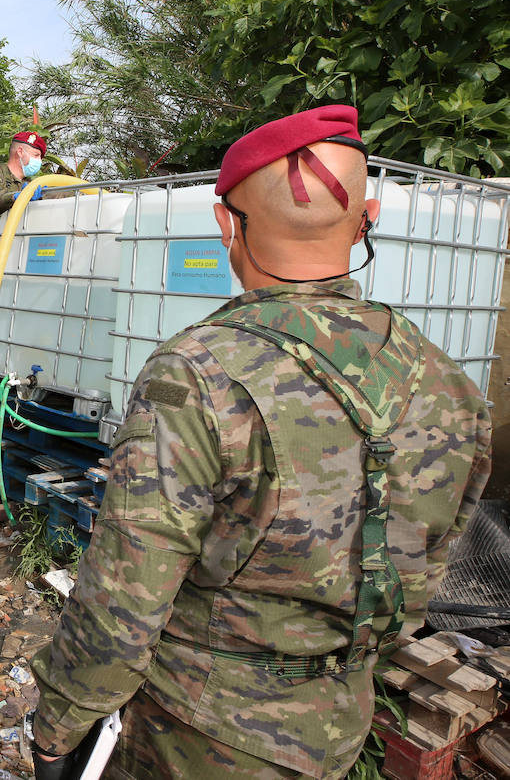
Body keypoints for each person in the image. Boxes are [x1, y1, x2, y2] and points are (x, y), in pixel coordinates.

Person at [28, 106, 491, 779]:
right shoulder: (451, 384)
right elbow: (417, 580)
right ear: (369, 219)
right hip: (337, 724)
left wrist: (58, 726)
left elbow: (124, 597)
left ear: (225, 222)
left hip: (196, 736)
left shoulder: (197, 373)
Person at [0, 131, 45, 315]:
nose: (39, 161)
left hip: (17, 254)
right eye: (36, 155)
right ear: (20, 151)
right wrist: (16, 197)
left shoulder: (30, 184)